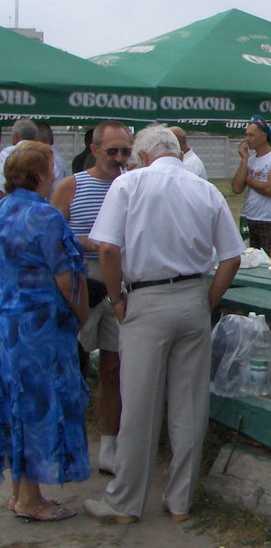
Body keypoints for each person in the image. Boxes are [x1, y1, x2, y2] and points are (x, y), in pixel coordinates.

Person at [84, 124, 244, 524]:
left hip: (146, 298)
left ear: (143, 155)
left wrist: (116, 299)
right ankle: (180, 501)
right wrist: (207, 300)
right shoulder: (206, 190)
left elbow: (107, 248)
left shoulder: (129, 184)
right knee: (189, 406)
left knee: (139, 404)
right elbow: (231, 257)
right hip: (192, 296)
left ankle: (126, 501)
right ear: (177, 151)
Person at [0, 142, 90, 522]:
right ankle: (31, 500)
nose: (55, 175)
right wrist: (81, 314)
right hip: (38, 326)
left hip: (4, 321)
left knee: (12, 400)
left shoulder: (3, 209)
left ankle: (19, 493)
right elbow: (67, 278)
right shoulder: (45, 216)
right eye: (51, 169)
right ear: (40, 175)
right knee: (36, 405)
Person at [52, 120, 133, 476]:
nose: (119, 158)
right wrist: (86, 240)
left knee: (114, 368)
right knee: (73, 367)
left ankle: (110, 447)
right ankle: (66, 443)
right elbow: (52, 236)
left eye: (125, 151)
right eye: (112, 151)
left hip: (121, 284)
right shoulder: (71, 185)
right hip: (82, 281)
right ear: (94, 149)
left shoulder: (132, 184)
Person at [0, 118, 39, 227]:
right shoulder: (45, 155)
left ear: (16, 137)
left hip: (10, 219)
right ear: (36, 137)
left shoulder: (9, 153)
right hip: (36, 217)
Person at [231, 115, 271, 255]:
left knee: (267, 261)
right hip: (248, 218)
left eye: (251, 135)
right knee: (248, 259)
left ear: (264, 136)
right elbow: (236, 188)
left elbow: (269, 189)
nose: (247, 139)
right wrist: (244, 160)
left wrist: (249, 181)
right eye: (246, 135)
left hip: (266, 220)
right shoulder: (250, 160)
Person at [36, 121, 68, 194]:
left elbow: (56, 192)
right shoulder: (53, 158)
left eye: (35, 142)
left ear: (46, 142)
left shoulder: (54, 162)